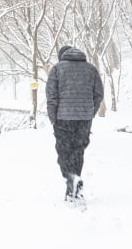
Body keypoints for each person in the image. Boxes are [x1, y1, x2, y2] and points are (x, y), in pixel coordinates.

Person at [45, 45, 104, 203]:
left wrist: (53, 118)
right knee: (78, 150)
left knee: (64, 151)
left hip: (63, 118)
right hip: (84, 118)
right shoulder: (91, 69)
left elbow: (51, 96)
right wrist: (90, 112)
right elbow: (99, 93)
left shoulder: (57, 69)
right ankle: (74, 183)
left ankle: (71, 177)